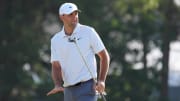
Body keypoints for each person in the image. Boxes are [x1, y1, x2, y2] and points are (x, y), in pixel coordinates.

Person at [47, 2, 110, 101]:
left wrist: (102, 80)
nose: (74, 17)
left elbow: (104, 56)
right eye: (70, 14)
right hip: (68, 90)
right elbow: (56, 65)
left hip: (88, 87)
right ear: (62, 17)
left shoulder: (88, 32)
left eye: (76, 13)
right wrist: (58, 84)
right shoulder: (55, 40)